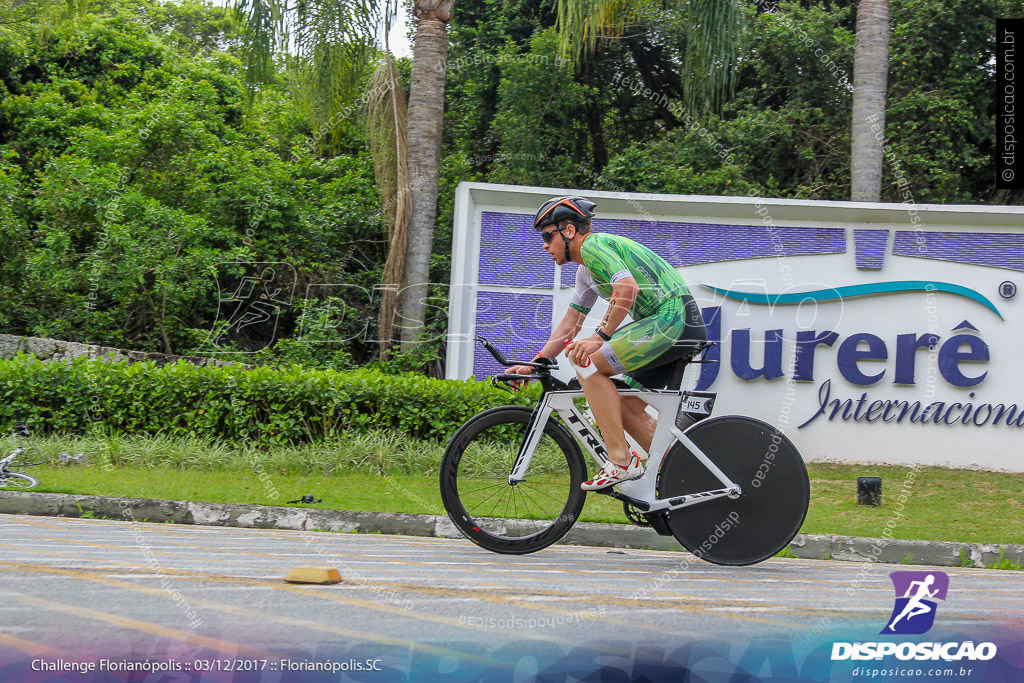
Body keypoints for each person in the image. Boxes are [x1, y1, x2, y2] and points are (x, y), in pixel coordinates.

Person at [510, 196, 707, 491]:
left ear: (569, 231)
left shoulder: (594, 246)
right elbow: (570, 324)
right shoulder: (585, 272)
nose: (544, 245)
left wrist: (598, 338)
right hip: (664, 324)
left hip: (672, 318)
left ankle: (621, 461)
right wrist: (535, 363)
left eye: (547, 236)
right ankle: (682, 477)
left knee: (585, 360)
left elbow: (626, 287)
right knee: (626, 404)